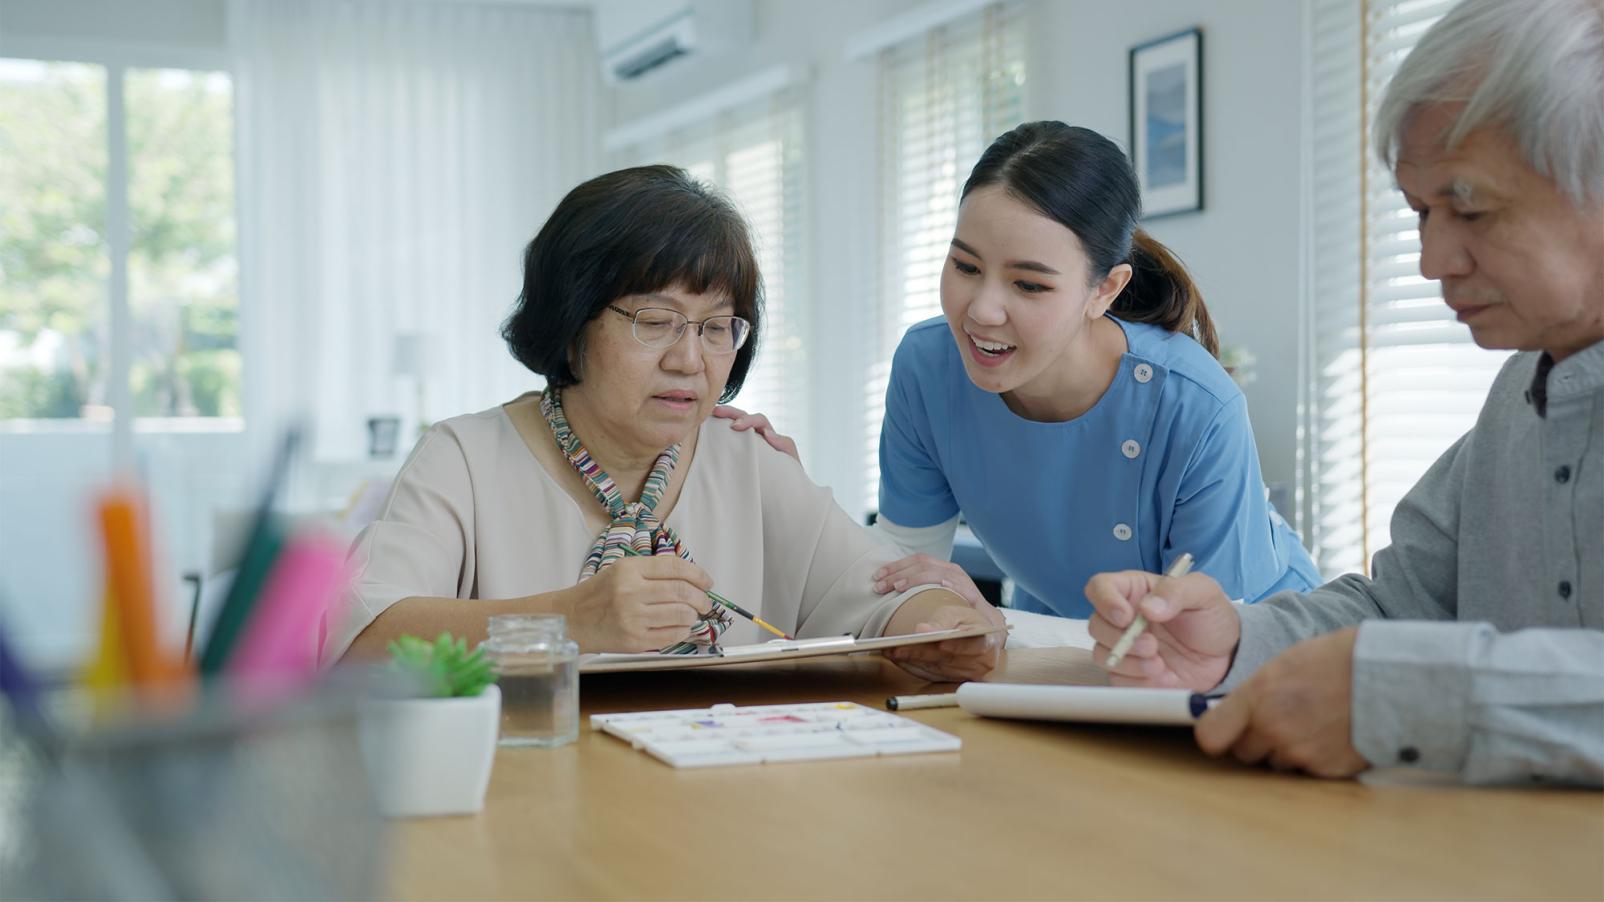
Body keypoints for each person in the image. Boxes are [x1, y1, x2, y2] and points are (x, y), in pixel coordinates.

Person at [1083, 0, 1604, 785]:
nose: (1432, 261)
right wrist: (1234, 641)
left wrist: (1422, 696)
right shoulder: (1516, 401)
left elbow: (1405, 669)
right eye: (1420, 212)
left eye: (1469, 209)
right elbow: (1399, 610)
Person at [328, 165, 1002, 682]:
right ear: (570, 325)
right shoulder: (464, 459)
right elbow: (364, 640)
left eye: (716, 328)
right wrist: (571, 620)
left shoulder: (746, 459)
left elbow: (876, 596)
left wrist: (940, 630)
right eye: (654, 322)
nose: (690, 359)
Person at [725, 121, 1319, 620]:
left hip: (1248, 654)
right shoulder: (929, 366)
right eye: (964, 265)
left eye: (1029, 284)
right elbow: (900, 567)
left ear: (1104, 291)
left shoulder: (1195, 405)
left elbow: (1198, 644)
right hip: (1056, 636)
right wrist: (799, 504)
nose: (981, 310)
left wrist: (995, 620)